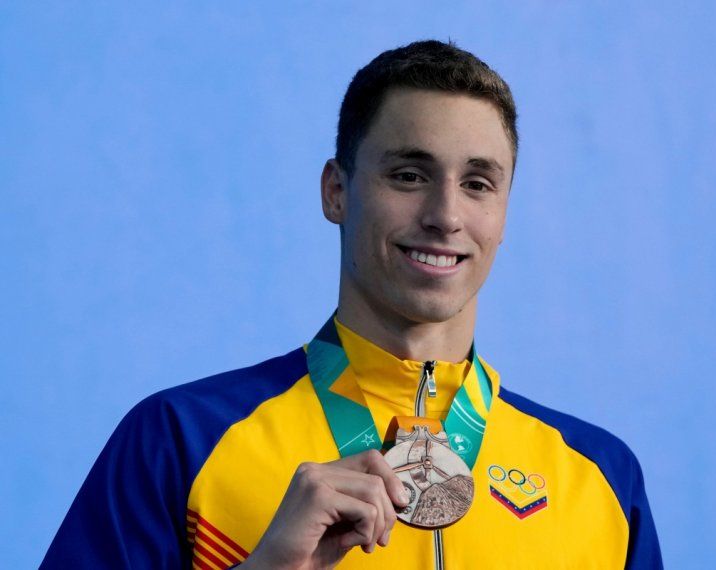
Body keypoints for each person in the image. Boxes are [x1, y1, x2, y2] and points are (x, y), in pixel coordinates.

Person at [42, 40, 662, 569]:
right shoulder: (180, 440)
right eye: (409, 175)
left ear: (502, 214)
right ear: (337, 192)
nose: (446, 216)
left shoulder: (600, 479)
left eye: (477, 184)